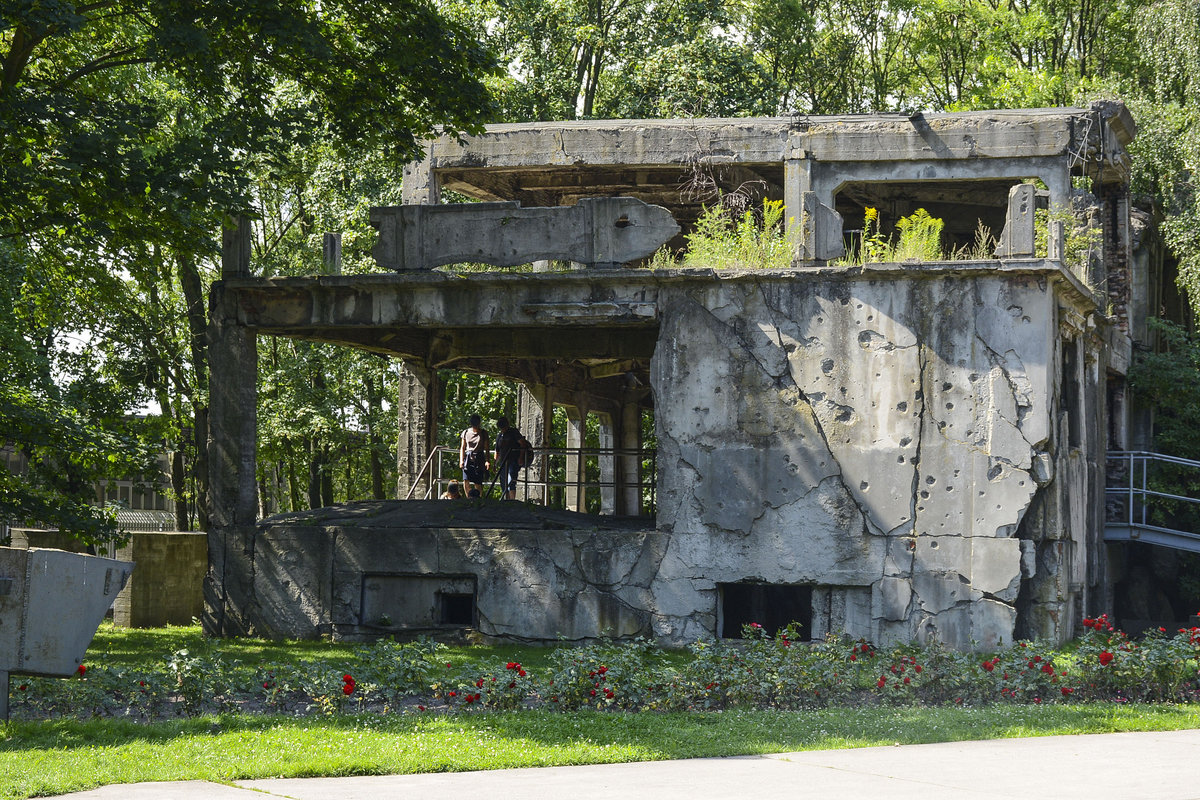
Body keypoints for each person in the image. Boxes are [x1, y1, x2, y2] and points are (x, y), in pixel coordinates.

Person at [493, 415, 528, 501]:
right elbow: (497, 451)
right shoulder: (500, 436)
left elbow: (523, 444)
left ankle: (512, 501)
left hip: (513, 461)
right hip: (503, 463)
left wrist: (521, 457)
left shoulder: (514, 432)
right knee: (503, 483)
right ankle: (506, 500)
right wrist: (495, 464)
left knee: (511, 481)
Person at [459, 414, 490, 495]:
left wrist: (487, 461)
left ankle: (478, 499)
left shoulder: (483, 433)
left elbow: (487, 448)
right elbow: (462, 447)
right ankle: (468, 498)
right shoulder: (465, 432)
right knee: (466, 480)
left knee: (478, 482)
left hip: (479, 458)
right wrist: (461, 460)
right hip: (468, 458)